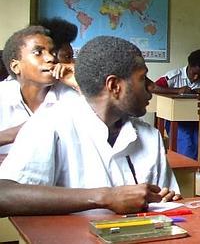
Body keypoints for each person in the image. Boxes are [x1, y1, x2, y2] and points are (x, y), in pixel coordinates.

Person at [0, 36, 180, 216]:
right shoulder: (49, 124)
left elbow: (167, 203)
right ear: (114, 85)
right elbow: (4, 196)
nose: (151, 86)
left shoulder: (150, 136)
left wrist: (165, 199)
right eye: (142, 78)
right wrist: (106, 197)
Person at [0, 26, 78, 154]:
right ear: (15, 66)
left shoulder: (70, 95)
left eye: (52, 52)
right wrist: (14, 134)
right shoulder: (3, 93)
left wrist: (78, 84)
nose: (51, 58)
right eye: (38, 52)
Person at [153, 49, 200, 162]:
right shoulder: (174, 76)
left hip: (198, 121)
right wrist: (177, 91)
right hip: (176, 122)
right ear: (189, 66)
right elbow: (153, 87)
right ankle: (187, 171)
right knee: (185, 142)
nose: (196, 77)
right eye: (194, 73)